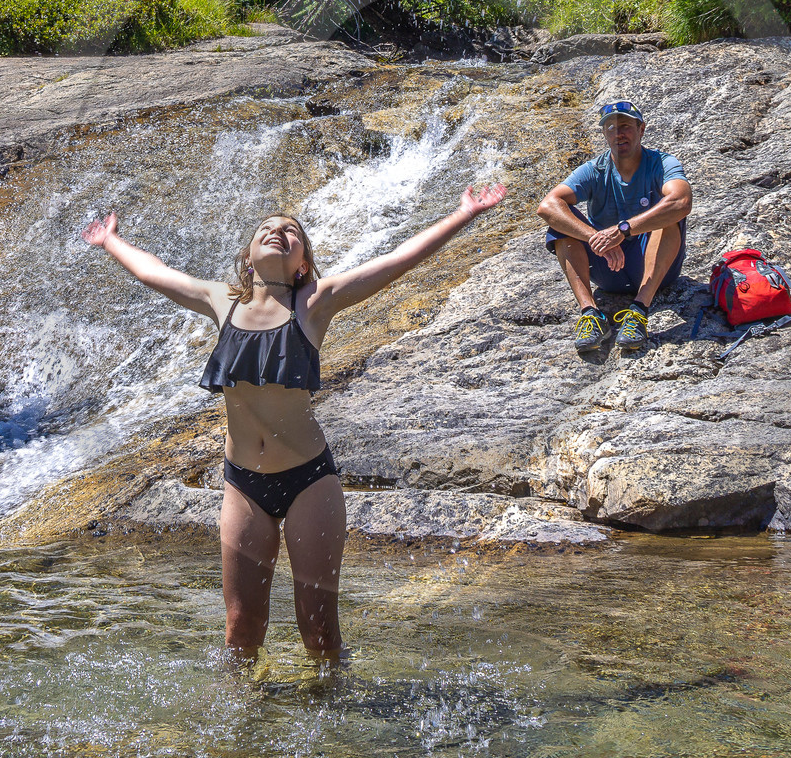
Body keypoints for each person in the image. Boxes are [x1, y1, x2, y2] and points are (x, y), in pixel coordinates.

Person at [81, 184, 507, 663]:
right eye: (267, 229)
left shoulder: (314, 302)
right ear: (248, 258)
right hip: (242, 484)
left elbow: (397, 260)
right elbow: (152, 271)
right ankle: (242, 723)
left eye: (291, 232)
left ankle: (335, 719)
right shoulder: (221, 300)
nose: (278, 233)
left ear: (302, 261)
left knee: (318, 629)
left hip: (309, 481)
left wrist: (464, 213)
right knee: (241, 628)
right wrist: (111, 242)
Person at [536, 100, 692, 352]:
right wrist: (596, 238)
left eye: (626, 126)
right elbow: (547, 206)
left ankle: (639, 311)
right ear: (604, 134)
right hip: (607, 268)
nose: (618, 133)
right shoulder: (594, 170)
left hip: (656, 269)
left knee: (669, 217)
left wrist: (622, 230)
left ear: (641, 129)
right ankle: (590, 313)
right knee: (560, 225)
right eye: (610, 128)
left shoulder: (661, 163)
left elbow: (681, 201)